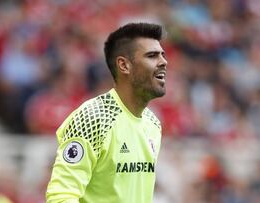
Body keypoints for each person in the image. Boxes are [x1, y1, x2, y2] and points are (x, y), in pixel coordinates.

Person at [46, 22, 168, 203]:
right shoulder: (93, 119)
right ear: (124, 65)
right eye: (152, 56)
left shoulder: (153, 123)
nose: (163, 62)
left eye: (162, 55)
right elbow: (60, 197)